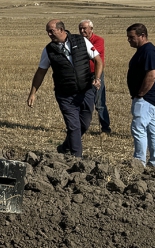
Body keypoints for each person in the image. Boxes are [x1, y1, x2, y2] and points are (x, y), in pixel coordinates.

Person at [27, 20, 103, 157]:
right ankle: (76, 158)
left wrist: (97, 79)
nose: (49, 34)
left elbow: (98, 60)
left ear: (61, 30)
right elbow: (40, 72)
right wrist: (33, 92)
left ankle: (65, 146)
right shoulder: (49, 50)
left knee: (84, 125)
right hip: (65, 94)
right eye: (48, 32)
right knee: (74, 127)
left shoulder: (81, 41)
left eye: (51, 31)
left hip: (86, 91)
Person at [127, 23, 155, 167]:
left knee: (138, 128)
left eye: (132, 37)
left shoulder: (149, 51)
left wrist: (141, 94)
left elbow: (151, 75)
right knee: (152, 129)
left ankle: (139, 161)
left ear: (142, 36)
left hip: (147, 98)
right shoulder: (144, 50)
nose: (129, 40)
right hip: (150, 97)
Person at [79, 19, 111, 134]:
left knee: (99, 103)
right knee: (82, 101)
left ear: (91, 29)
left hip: (95, 73)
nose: (82, 31)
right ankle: (81, 127)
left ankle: (105, 128)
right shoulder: (78, 40)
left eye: (84, 29)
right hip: (82, 74)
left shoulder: (98, 40)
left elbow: (92, 54)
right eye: (80, 29)